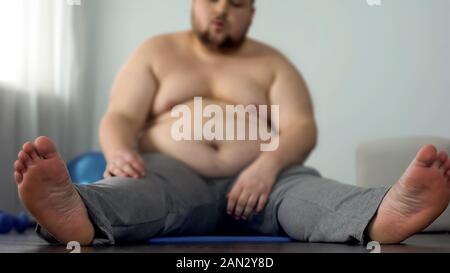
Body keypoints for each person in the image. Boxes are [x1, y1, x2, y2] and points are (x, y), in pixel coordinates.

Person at [13, 0, 450, 246]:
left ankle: (381, 213)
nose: (222, 8)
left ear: (252, 12)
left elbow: (300, 127)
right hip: (170, 171)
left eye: (237, 2)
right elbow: (121, 116)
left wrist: (266, 165)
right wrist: (119, 151)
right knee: (137, 190)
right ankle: (76, 211)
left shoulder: (272, 62)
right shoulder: (156, 52)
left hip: (266, 178)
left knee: (309, 193)